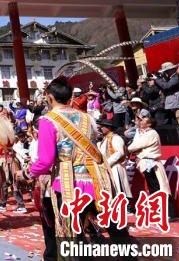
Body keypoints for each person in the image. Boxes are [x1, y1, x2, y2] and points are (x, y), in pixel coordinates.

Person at [23, 77, 115, 261]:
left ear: (49, 97)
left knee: (68, 233)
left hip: (66, 184)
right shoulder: (87, 118)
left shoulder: (48, 121)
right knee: (86, 231)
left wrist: (27, 173)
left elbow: (45, 160)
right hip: (93, 181)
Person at [128, 110, 178, 221]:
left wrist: (131, 148)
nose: (140, 121)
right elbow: (135, 143)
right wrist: (138, 130)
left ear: (149, 124)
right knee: (153, 188)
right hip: (146, 164)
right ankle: (159, 211)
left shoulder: (152, 133)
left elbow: (134, 146)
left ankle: (169, 213)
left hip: (153, 164)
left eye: (143, 120)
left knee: (160, 188)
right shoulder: (142, 133)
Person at [96, 118, 132, 201]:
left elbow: (120, 152)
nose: (101, 128)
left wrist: (107, 163)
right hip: (108, 167)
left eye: (103, 126)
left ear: (109, 128)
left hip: (116, 166)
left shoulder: (116, 138)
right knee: (113, 188)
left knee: (119, 187)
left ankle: (126, 205)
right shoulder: (105, 139)